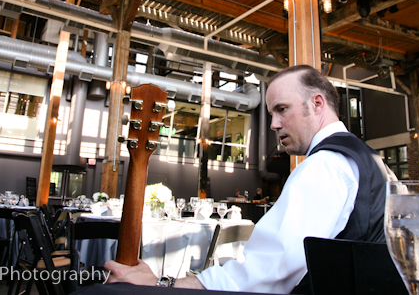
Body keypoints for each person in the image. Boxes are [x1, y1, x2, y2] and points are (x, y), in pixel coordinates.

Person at [105, 65, 394, 293]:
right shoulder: (372, 162)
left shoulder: (325, 166)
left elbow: (266, 273)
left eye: (282, 109)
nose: (273, 124)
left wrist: (163, 286)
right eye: (270, 113)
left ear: (317, 103)